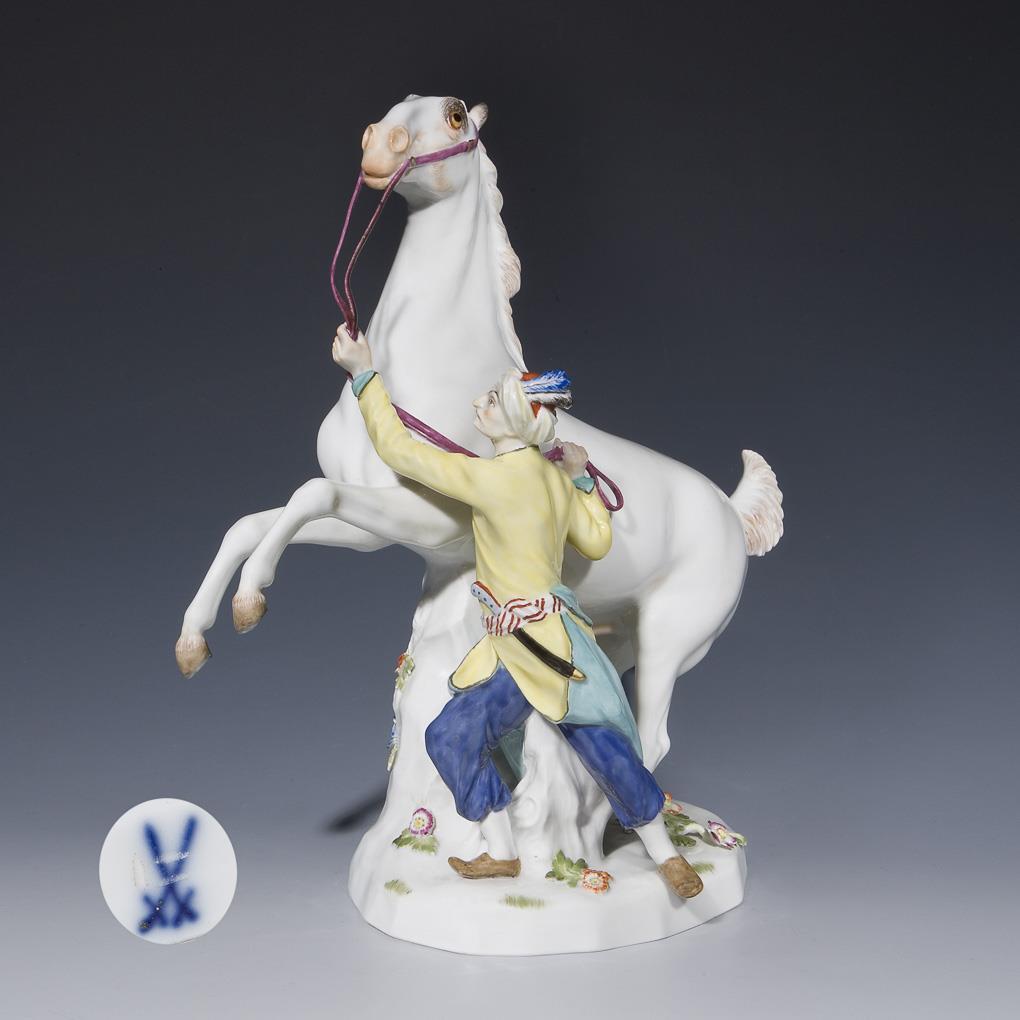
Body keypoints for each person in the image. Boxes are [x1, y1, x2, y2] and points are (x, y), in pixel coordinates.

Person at [331, 325, 703, 899]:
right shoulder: (554, 481)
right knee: (486, 736)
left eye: (489, 401)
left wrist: (363, 377)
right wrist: (581, 478)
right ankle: (513, 852)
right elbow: (597, 540)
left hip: (547, 648)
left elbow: (399, 451)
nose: (477, 406)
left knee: (494, 739)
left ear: (512, 419)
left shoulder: (490, 479)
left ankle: (658, 857)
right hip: (520, 646)